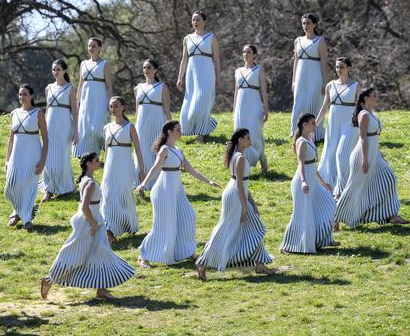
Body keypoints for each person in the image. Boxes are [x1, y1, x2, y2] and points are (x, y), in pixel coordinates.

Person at [40, 153, 135, 300]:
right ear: (89, 164)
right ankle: (49, 280)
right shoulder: (89, 183)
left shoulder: (86, 180)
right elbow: (85, 207)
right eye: (96, 160)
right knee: (74, 254)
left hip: (93, 221)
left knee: (100, 254)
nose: (99, 162)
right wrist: (93, 224)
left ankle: (101, 290)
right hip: (88, 224)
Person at [136, 121, 220, 267]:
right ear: (169, 132)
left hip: (176, 191)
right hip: (163, 190)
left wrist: (209, 181)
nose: (181, 132)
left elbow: (192, 170)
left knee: (188, 216)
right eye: (178, 130)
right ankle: (143, 256)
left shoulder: (179, 151)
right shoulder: (164, 150)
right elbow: (155, 167)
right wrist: (143, 184)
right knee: (163, 225)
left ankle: (187, 251)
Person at [196, 129, 275, 280]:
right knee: (226, 229)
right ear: (240, 140)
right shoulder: (239, 158)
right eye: (247, 138)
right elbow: (239, 184)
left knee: (254, 226)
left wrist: (252, 203)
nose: (250, 141)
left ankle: (259, 264)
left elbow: (244, 184)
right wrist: (245, 207)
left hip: (239, 194)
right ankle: (203, 262)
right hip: (235, 197)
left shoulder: (240, 156)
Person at [334, 88, 407, 228]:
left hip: (374, 156)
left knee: (390, 178)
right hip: (362, 156)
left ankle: (391, 215)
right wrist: (365, 160)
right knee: (354, 189)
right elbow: (363, 138)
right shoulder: (364, 115)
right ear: (366, 98)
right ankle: (334, 219)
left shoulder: (371, 114)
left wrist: (379, 155)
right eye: (374, 96)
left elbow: (374, 139)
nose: (376, 98)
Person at [280, 113, 339, 254]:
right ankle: (288, 245)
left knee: (329, 203)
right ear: (304, 125)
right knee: (302, 214)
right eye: (312, 123)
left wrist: (323, 181)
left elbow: (313, 165)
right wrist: (303, 181)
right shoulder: (301, 142)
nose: (315, 125)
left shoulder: (310, 139)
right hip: (303, 183)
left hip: (312, 181)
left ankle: (323, 238)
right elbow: (301, 164)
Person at [101, 96, 145, 244]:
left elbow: (138, 149)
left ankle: (127, 224)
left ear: (122, 107)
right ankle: (109, 229)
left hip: (125, 166)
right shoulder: (107, 128)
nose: (113, 109)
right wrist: (106, 168)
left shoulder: (130, 127)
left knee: (124, 196)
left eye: (116, 106)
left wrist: (141, 168)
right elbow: (107, 151)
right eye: (111, 106)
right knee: (107, 196)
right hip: (110, 168)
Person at [316, 57, 360, 200]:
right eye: (336, 67)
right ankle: (330, 186)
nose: (338, 70)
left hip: (349, 125)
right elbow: (324, 108)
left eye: (341, 67)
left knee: (341, 155)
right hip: (333, 124)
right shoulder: (330, 85)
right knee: (331, 153)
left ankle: (342, 189)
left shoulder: (355, 86)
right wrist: (314, 126)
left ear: (348, 68)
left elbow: (363, 108)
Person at [5, 84, 48, 230]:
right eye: (20, 94)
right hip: (16, 154)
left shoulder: (38, 113)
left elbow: (46, 139)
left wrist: (43, 160)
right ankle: (17, 210)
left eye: (25, 94)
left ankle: (27, 218)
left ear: (31, 96)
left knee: (28, 185)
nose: (22, 97)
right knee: (11, 185)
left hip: (32, 153)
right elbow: (10, 139)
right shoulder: (14, 113)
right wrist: (7, 159)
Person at [176, 11, 220, 143]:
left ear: (204, 22)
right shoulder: (187, 39)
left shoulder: (211, 37)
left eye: (198, 20)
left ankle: (201, 136)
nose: (195, 22)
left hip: (207, 73)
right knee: (189, 108)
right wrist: (180, 78)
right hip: (192, 75)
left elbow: (216, 59)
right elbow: (184, 60)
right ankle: (205, 126)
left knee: (200, 104)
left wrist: (219, 78)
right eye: (193, 20)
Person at [40, 59, 78, 202]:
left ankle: (68, 186)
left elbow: (75, 111)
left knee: (62, 156)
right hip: (50, 124)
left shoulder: (70, 89)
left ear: (64, 71)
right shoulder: (48, 88)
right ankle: (49, 189)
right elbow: (47, 109)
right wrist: (42, 126)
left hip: (64, 125)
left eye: (58, 70)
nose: (56, 72)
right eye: (54, 69)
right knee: (48, 156)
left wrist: (76, 131)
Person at [134, 59, 172, 190]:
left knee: (155, 151)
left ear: (155, 70)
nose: (146, 70)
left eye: (149, 68)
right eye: (144, 68)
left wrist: (170, 128)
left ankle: (156, 184)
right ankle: (140, 182)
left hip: (157, 122)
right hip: (141, 124)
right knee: (142, 151)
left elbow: (166, 109)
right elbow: (137, 109)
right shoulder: (138, 87)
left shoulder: (162, 87)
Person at [73, 37, 113, 157]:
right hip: (86, 100)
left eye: (94, 46)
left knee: (98, 129)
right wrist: (77, 102)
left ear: (99, 48)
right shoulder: (83, 64)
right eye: (89, 46)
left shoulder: (104, 64)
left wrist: (110, 104)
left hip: (100, 100)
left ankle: (105, 150)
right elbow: (80, 85)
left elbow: (109, 86)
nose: (91, 48)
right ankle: (89, 156)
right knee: (86, 128)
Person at [290, 13, 328, 141]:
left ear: (314, 25)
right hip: (301, 75)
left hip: (315, 74)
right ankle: (297, 132)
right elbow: (295, 61)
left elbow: (323, 62)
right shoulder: (298, 41)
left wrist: (324, 82)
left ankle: (315, 134)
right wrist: (293, 80)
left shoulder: (319, 41)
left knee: (314, 102)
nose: (305, 26)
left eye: (308, 23)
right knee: (299, 103)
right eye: (304, 23)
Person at [233, 44, 269, 172]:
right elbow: (236, 91)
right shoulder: (238, 71)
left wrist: (266, 109)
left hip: (254, 105)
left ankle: (261, 158)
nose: (246, 54)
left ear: (254, 54)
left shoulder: (259, 70)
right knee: (240, 134)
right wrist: (234, 109)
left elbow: (264, 91)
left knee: (254, 134)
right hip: (241, 106)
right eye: (244, 52)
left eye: (248, 52)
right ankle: (243, 164)